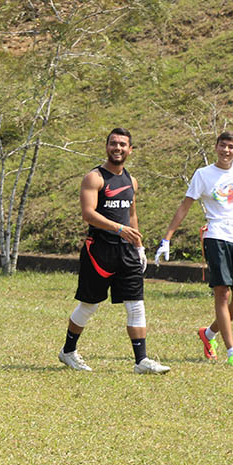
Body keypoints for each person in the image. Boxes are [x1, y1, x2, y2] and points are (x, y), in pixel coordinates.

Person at [58, 128, 169, 374]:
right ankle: (68, 351)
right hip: (99, 250)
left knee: (136, 303)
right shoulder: (94, 178)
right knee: (89, 305)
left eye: (122, 145)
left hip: (127, 251)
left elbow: (131, 214)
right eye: (113, 144)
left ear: (130, 149)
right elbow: (89, 213)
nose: (117, 148)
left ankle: (141, 361)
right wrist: (119, 229)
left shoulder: (132, 180)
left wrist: (139, 246)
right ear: (106, 147)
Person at [155, 131, 233, 367]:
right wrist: (167, 238)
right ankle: (232, 351)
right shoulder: (203, 175)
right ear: (216, 147)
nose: (226, 151)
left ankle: (209, 333)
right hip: (216, 236)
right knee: (222, 294)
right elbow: (185, 206)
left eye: (231, 147)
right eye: (222, 146)